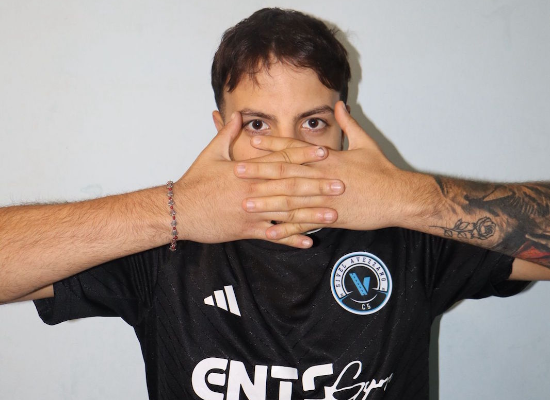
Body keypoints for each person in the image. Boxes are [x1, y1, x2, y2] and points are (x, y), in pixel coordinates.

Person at [1, 7, 549, 400]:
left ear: (343, 126)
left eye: (312, 123)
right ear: (220, 129)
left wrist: (410, 198)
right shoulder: (164, 244)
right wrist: (176, 210)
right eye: (258, 125)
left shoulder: (409, 234)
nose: (288, 150)